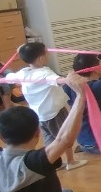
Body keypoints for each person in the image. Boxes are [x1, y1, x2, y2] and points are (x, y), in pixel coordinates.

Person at [5, 42, 87, 170]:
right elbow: (57, 80)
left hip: (40, 115)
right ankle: (70, 162)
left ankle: (53, 163)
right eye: (46, 53)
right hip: (55, 112)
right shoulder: (44, 73)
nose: (48, 54)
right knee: (65, 135)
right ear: (40, 59)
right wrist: (68, 79)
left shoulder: (23, 72)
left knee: (49, 137)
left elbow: (9, 77)